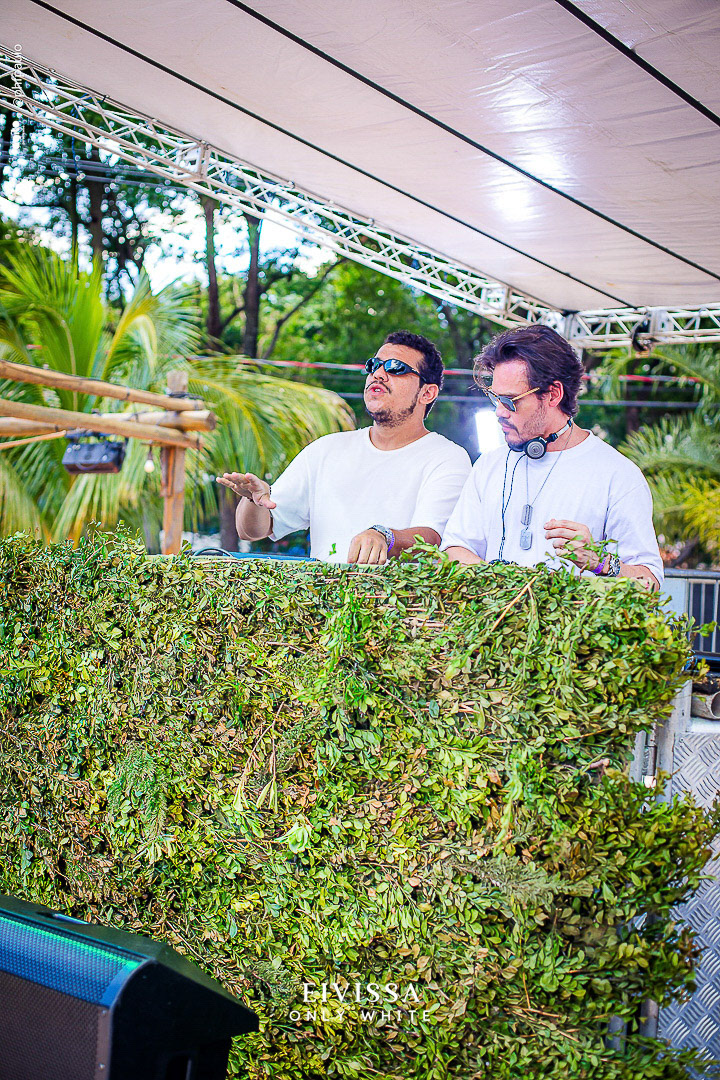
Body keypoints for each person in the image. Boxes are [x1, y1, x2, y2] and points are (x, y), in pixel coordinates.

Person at [217, 330, 471, 564]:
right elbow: (253, 530)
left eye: (396, 368)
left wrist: (384, 536)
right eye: (374, 365)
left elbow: (432, 539)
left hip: (401, 599)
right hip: (323, 599)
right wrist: (253, 501)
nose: (378, 374)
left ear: (427, 393)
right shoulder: (326, 450)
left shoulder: (447, 457)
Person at [442, 325, 663, 589]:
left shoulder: (618, 475)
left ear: (553, 395)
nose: (499, 411)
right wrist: (506, 588)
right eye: (495, 398)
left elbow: (650, 584)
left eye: (511, 401)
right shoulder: (489, 465)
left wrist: (600, 562)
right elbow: (455, 549)